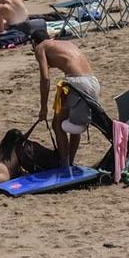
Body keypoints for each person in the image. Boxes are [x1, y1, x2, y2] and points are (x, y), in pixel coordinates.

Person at [31, 29, 109, 169]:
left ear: (33, 42)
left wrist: (43, 107)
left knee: (57, 124)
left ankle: (65, 164)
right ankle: (69, 162)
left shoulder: (40, 47)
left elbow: (45, 78)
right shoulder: (64, 44)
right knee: (74, 123)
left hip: (77, 82)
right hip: (93, 82)